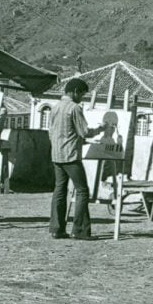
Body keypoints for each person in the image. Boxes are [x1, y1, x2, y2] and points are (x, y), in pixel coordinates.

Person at [48, 78, 104, 240]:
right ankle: (79, 230)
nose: (82, 98)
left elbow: (51, 132)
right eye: (82, 94)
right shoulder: (74, 108)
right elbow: (84, 132)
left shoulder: (55, 107)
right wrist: (100, 129)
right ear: (75, 92)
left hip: (56, 154)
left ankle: (56, 228)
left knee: (59, 191)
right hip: (71, 155)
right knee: (82, 191)